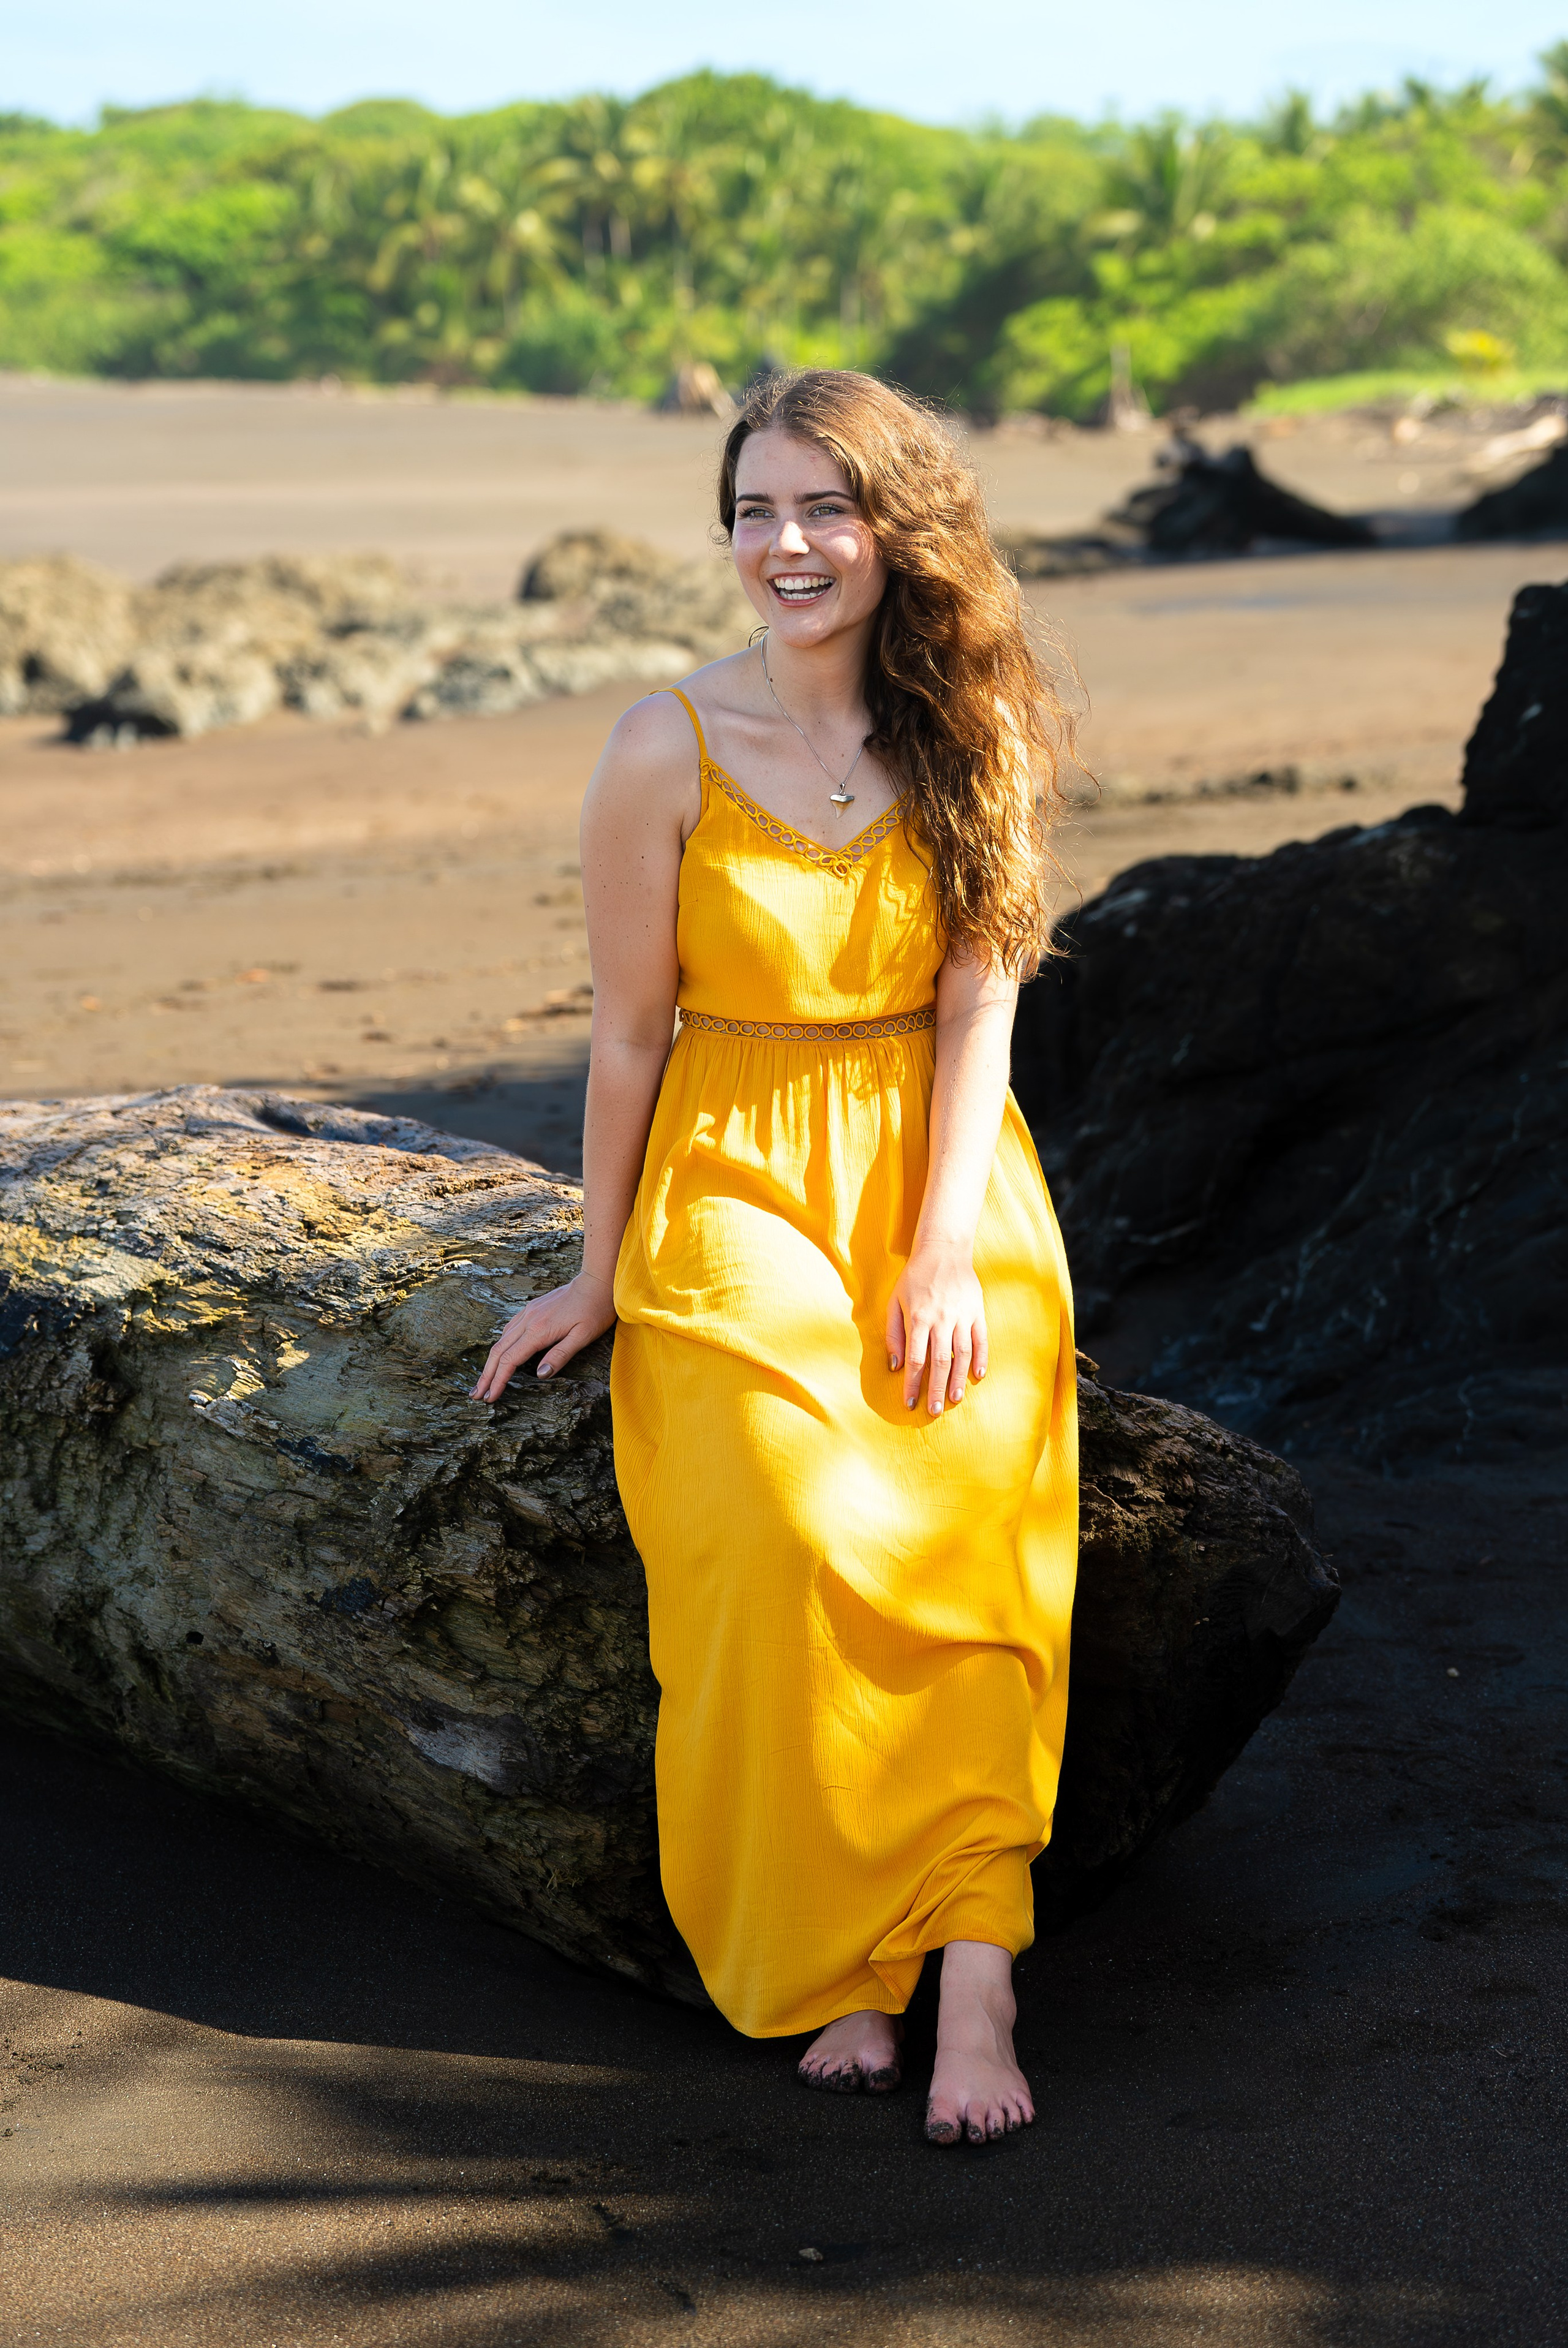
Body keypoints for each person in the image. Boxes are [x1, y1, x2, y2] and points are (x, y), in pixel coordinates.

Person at [472, 369, 1077, 2146]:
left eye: (825, 507)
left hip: (942, 1168)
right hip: (732, 1166)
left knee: (968, 1521)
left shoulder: (978, 730)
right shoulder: (663, 744)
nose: (787, 545)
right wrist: (597, 1271)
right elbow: (628, 1038)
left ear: (896, 526)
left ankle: (972, 1957)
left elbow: (984, 1006)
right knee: (792, 1514)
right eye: (756, 511)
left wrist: (945, 1248)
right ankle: (843, 1946)